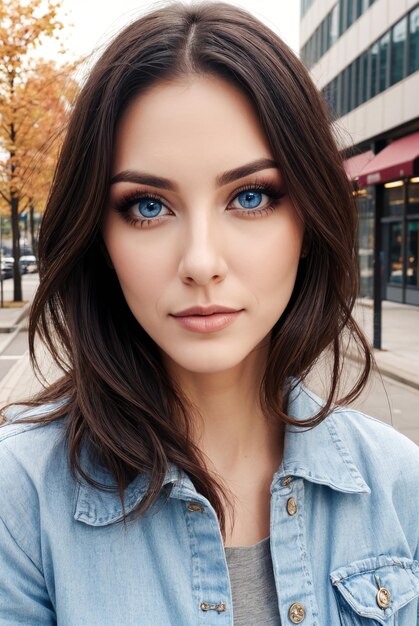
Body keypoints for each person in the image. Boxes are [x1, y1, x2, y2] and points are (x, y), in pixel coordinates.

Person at [0, 2, 418, 625]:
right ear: (98, 238)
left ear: (308, 218)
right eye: (147, 207)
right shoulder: (19, 500)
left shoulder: (399, 484)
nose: (200, 261)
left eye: (250, 197)